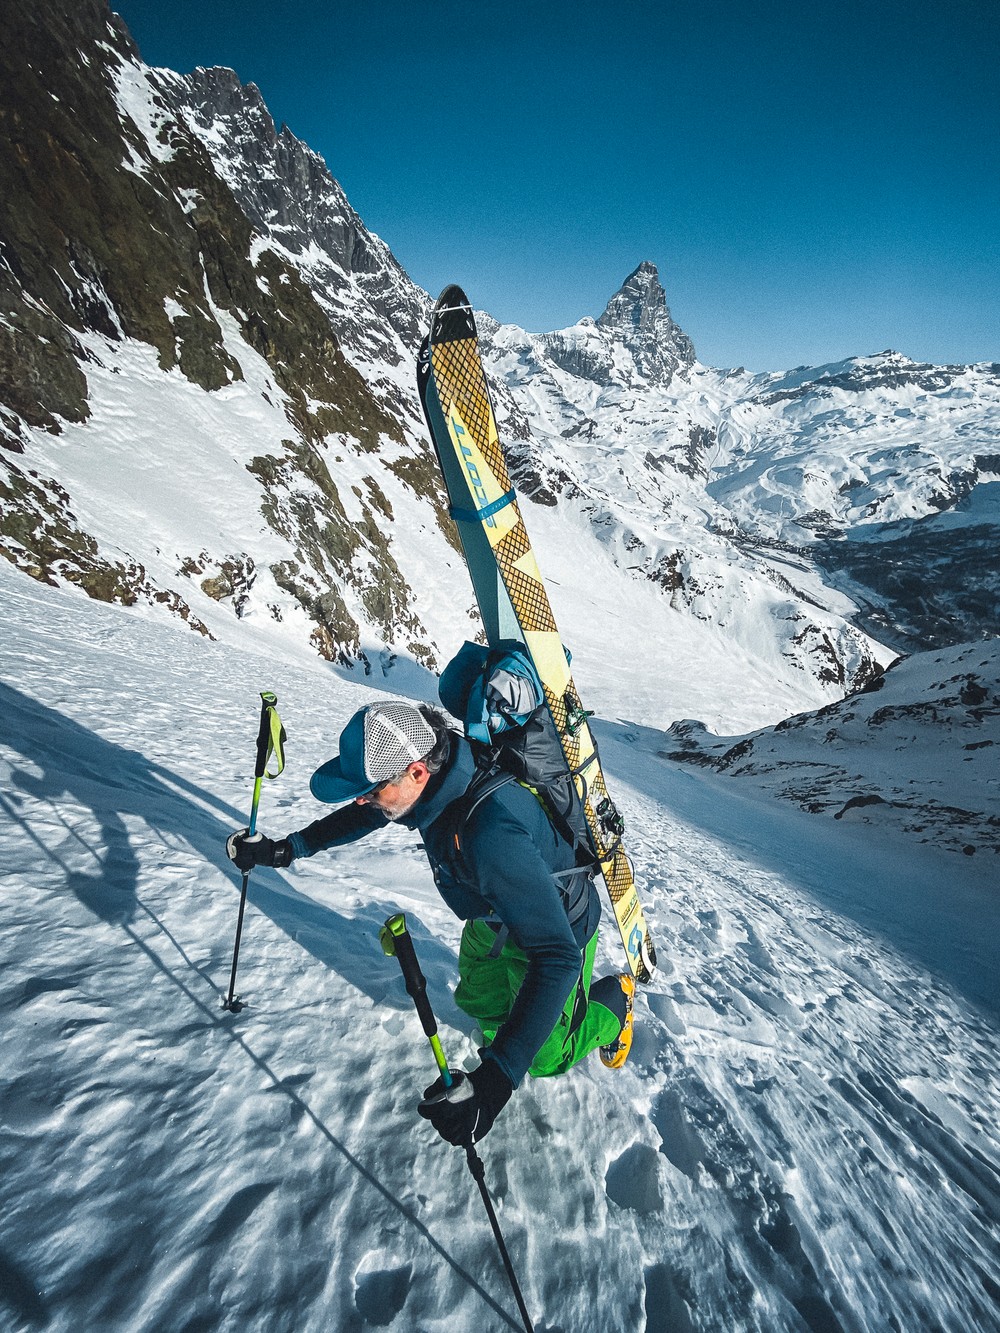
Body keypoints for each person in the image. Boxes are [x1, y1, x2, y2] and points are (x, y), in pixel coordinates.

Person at [226, 698, 634, 1146]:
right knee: (481, 1005)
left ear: (417, 772)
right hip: (492, 917)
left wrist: (496, 1081)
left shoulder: (490, 833)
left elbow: (556, 958)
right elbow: (367, 813)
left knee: (546, 1056)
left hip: (556, 928)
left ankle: (614, 1003)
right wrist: (288, 849)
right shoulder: (441, 771)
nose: (363, 798)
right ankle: (518, 1025)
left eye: (372, 789)